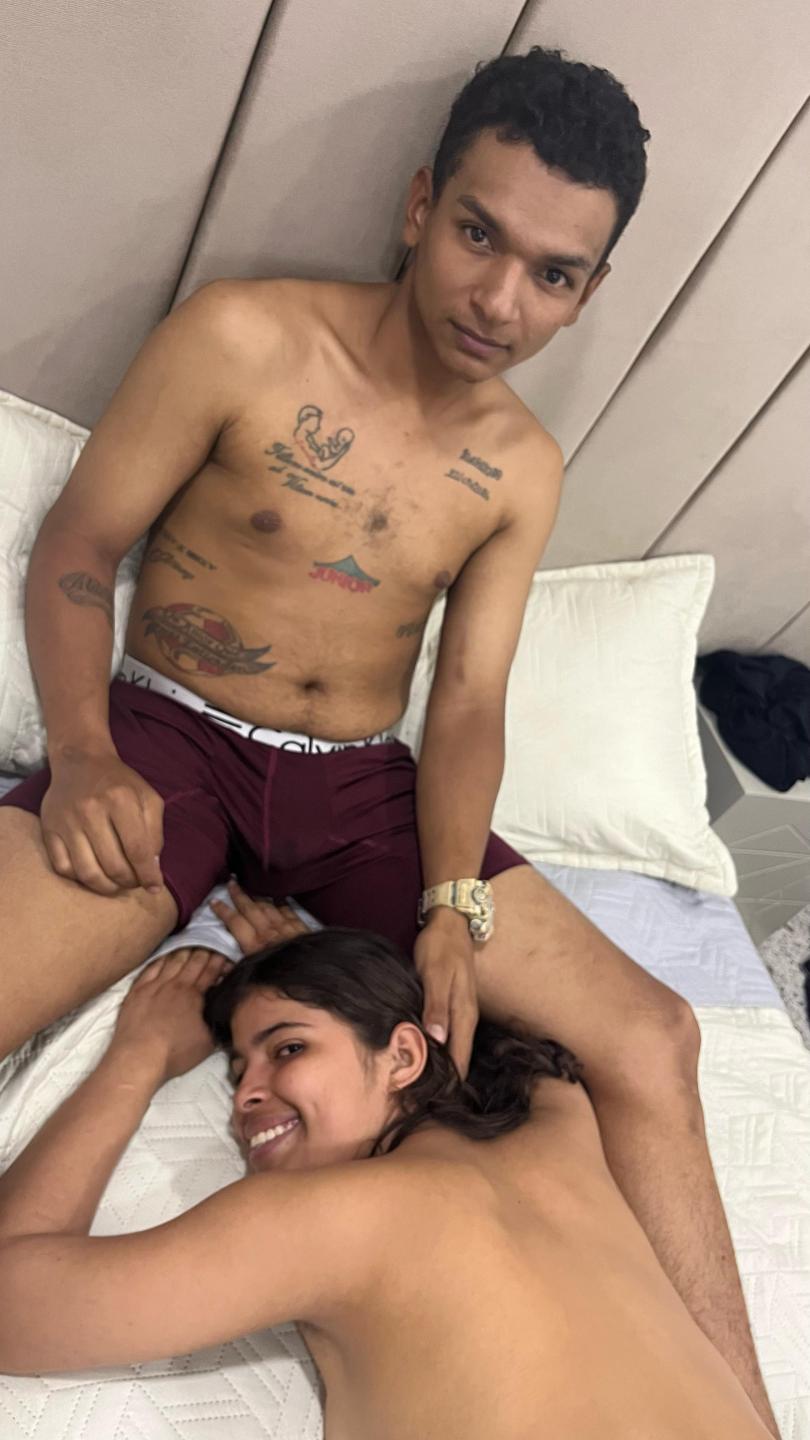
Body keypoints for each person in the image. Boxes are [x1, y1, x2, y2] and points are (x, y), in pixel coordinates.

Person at [0, 46, 777, 1433]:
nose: (501, 299)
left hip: (361, 793)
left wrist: (451, 901)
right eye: (481, 234)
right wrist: (84, 753)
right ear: (421, 206)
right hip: (170, 743)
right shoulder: (242, 336)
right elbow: (78, 545)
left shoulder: (519, 468)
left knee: (652, 1037)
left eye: (552, 274)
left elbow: (467, 702)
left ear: (588, 290)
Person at [0, 904, 773, 1440]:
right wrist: (338, 973)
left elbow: (12, 1307)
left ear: (404, 1053)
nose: (245, 1096)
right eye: (237, 1071)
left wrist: (136, 1057)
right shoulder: (559, 1111)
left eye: (288, 1048)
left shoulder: (334, 1217)